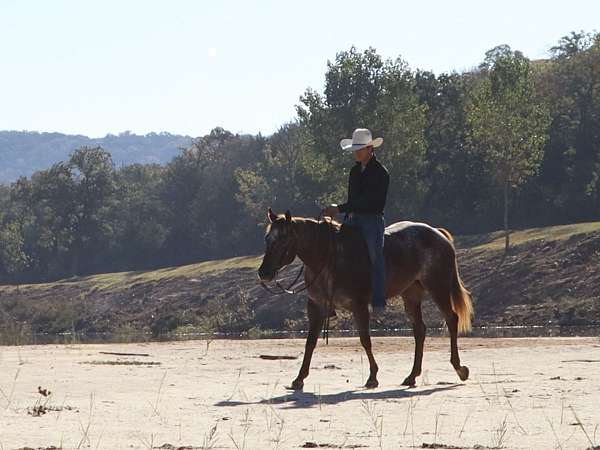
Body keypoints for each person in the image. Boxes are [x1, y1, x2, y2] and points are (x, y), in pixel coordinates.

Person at [322, 128, 390, 314]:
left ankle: (378, 301)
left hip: (372, 220)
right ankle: (331, 297)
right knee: (333, 251)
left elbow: (371, 202)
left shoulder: (380, 173)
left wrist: (340, 208)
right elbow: (354, 201)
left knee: (375, 258)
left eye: (359, 149)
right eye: (355, 149)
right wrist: (342, 210)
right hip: (353, 219)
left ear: (370, 149)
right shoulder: (354, 172)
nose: (356, 152)